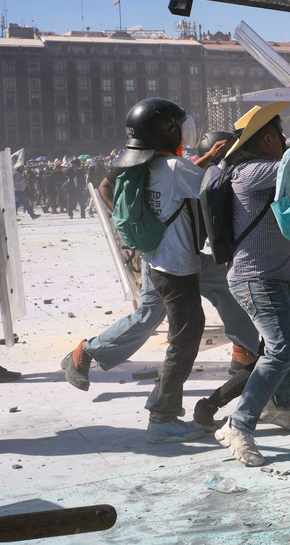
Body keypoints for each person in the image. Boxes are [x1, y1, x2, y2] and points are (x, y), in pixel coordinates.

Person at [108, 97, 225, 443]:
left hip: (157, 261)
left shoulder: (147, 166)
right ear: (168, 130)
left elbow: (184, 179)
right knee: (183, 340)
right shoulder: (175, 168)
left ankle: (161, 397)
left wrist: (205, 159)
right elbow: (215, 187)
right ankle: (163, 417)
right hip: (177, 267)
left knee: (185, 333)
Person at [213, 103, 290, 467]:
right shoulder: (252, 172)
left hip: (274, 276)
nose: (283, 141)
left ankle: (277, 405)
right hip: (256, 278)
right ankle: (238, 425)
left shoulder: (255, 169)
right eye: (280, 135)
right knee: (281, 348)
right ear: (267, 139)